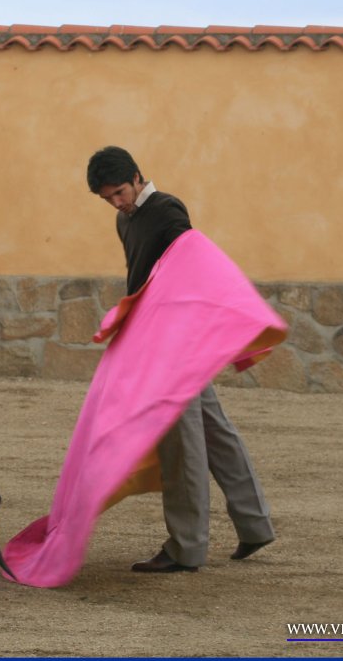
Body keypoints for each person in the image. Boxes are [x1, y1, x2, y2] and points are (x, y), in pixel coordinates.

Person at [86, 145, 276, 573]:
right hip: (160, 340)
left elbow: (192, 270)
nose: (116, 203)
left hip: (173, 345)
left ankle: (186, 548)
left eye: (119, 192)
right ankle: (255, 525)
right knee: (214, 432)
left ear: (137, 177)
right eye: (107, 198)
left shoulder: (168, 210)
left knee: (182, 445)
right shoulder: (125, 220)